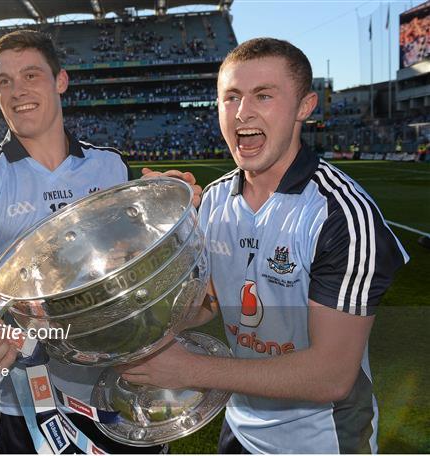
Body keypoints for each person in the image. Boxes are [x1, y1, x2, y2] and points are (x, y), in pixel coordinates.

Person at [121, 38, 409, 454]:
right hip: (240, 428)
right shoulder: (214, 201)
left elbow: (331, 375)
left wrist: (189, 368)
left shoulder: (340, 214)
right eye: (231, 97)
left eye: (264, 96)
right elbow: (206, 304)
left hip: (323, 438)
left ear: (305, 106)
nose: (242, 113)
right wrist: (153, 239)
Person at [0, 29, 199, 454]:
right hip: (27, 399)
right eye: (3, 81)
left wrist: (170, 205)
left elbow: (134, 262)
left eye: (30, 76)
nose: (16, 91)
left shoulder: (110, 166)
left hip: (121, 388)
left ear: (60, 80)